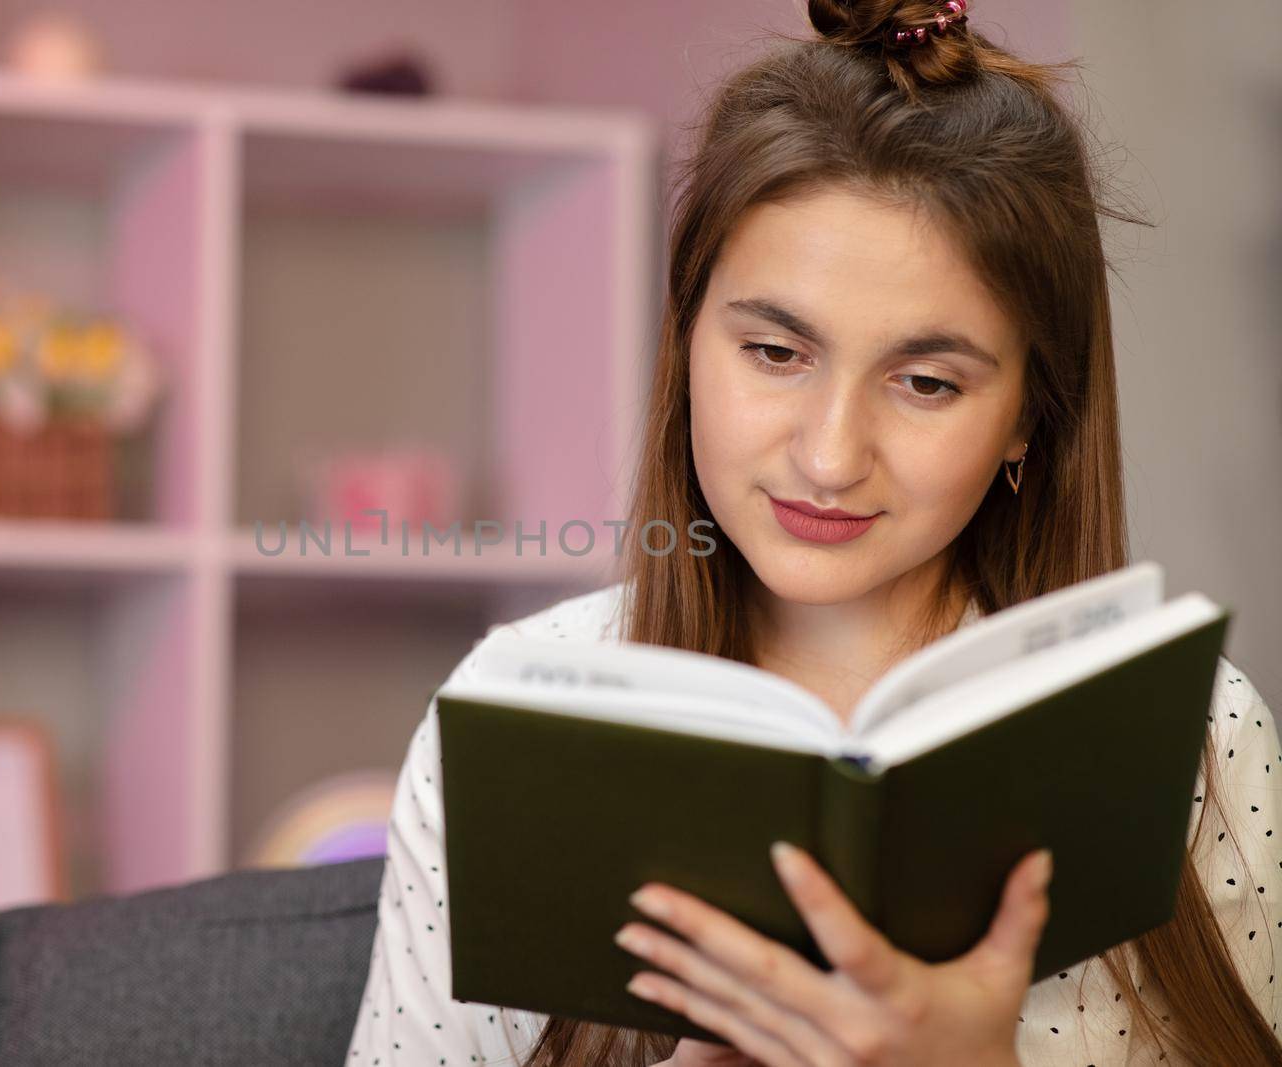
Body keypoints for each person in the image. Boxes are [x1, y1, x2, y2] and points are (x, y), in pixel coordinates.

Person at [341, 2, 1282, 1065]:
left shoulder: (1195, 736)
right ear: (688, 338)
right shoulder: (511, 710)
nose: (832, 455)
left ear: (1028, 413)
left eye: (925, 381)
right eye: (776, 353)